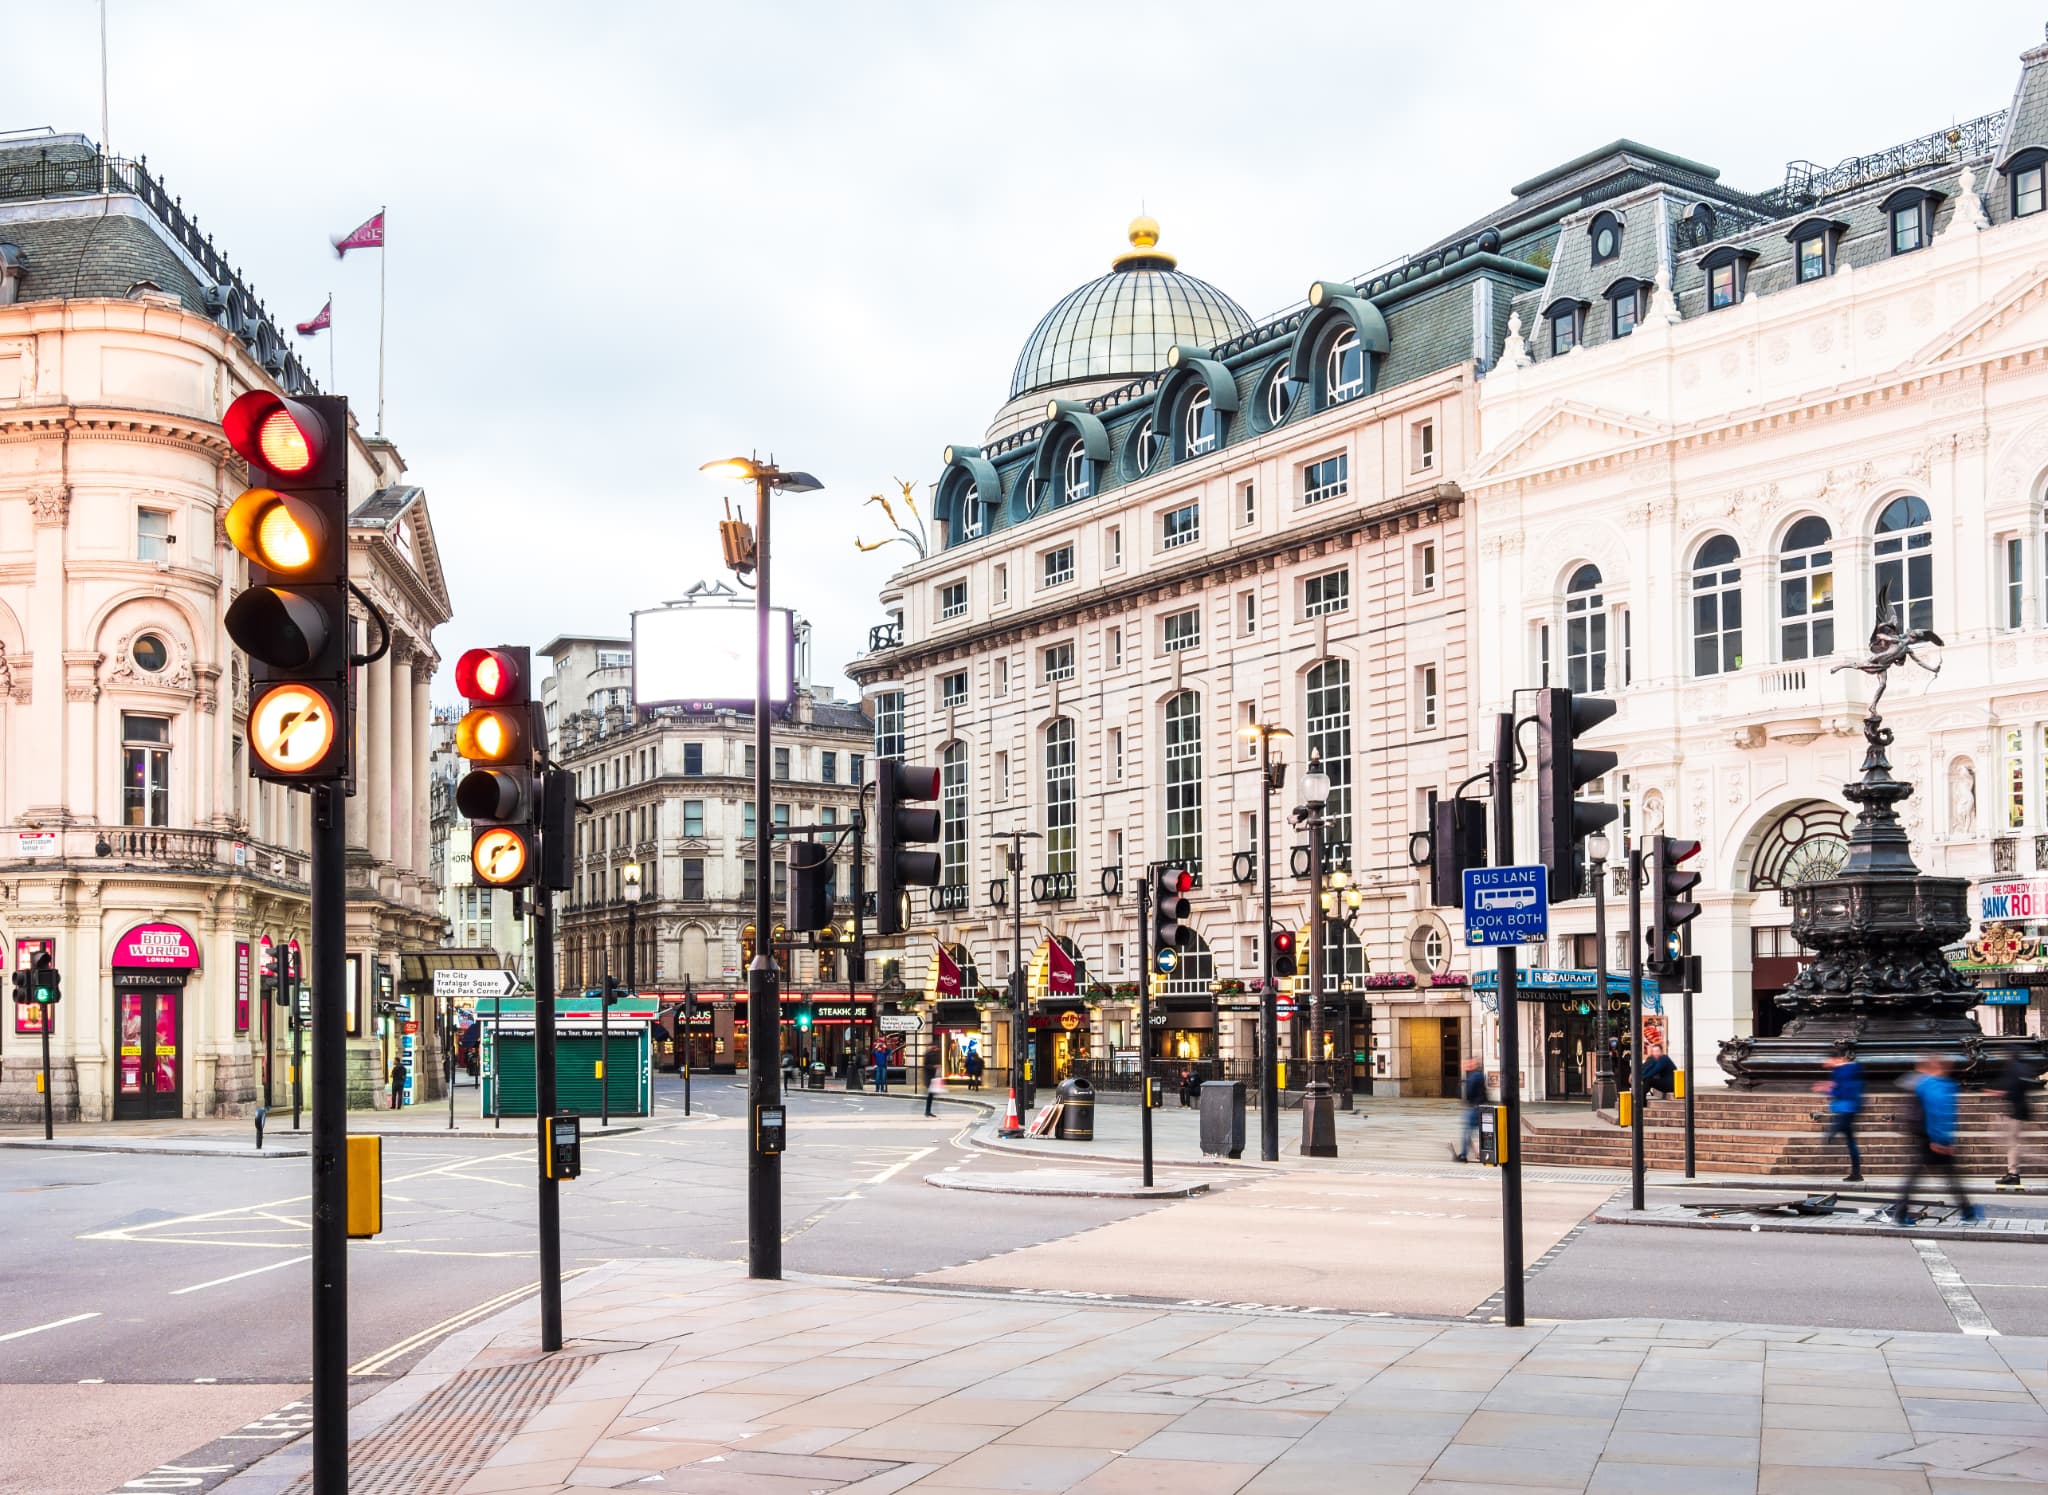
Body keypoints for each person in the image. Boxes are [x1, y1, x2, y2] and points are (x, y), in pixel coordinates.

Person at [1889, 1055, 1983, 1225]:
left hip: (1923, 1136)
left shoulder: (1919, 1084)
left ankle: (1967, 1211)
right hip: (1933, 1139)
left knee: (1939, 1177)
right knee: (1947, 1177)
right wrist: (1941, 1140)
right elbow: (1940, 1113)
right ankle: (1967, 1212)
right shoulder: (1937, 1086)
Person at [1812, 1051, 1865, 1183]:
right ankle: (1856, 1173)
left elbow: (1844, 1090)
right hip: (1846, 1107)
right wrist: (1829, 1087)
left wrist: (1828, 1088)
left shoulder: (1847, 1070)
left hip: (1847, 1108)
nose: (1826, 1063)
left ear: (1836, 1059)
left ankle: (1831, 1133)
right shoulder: (1843, 1070)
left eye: (1829, 1060)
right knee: (1851, 1142)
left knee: (1837, 1130)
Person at [1994, 1052, 2043, 1186]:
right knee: (2012, 1143)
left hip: (2016, 1113)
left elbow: (2012, 1090)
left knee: (2012, 1144)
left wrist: (2001, 1093)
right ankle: (2012, 1172)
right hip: (2018, 1112)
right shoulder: (2022, 1068)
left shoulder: (2014, 1069)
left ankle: (2013, 1174)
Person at [1454, 1056, 1487, 1162]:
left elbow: (1469, 1092)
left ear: (1473, 1064)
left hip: (1474, 1108)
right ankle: (1477, 1153)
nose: (1465, 1065)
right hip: (1478, 1107)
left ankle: (1464, 1155)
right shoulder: (1477, 1075)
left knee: (1467, 1132)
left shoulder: (1474, 1076)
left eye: (1468, 1063)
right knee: (1476, 1131)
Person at [924, 1045, 943, 1117]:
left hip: (934, 1077)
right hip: (929, 1078)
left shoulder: (936, 1054)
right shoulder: (928, 1055)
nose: (937, 1049)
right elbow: (926, 1066)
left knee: (931, 1095)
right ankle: (927, 1111)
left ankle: (928, 1111)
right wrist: (933, 1066)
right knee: (930, 1095)